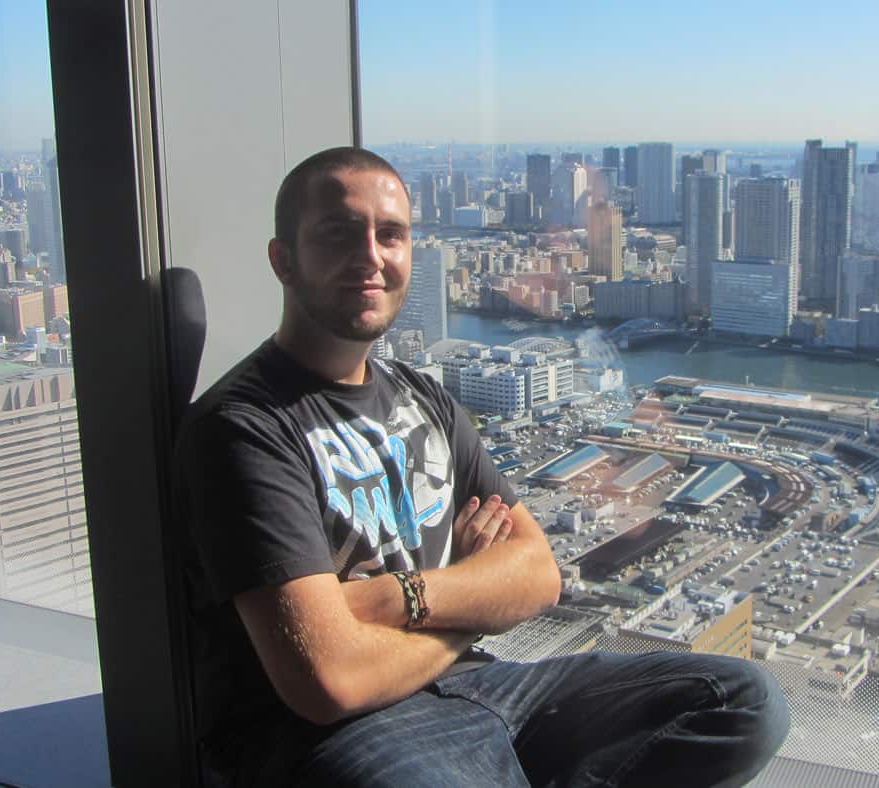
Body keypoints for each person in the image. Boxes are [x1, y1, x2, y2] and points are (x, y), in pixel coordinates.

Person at [175, 146, 789, 787]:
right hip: (342, 733)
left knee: (743, 701)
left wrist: (393, 599)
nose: (371, 257)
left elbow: (537, 574)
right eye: (338, 232)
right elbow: (330, 680)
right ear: (284, 260)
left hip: (486, 685)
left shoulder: (421, 395)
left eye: (391, 235)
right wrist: (470, 604)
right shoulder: (244, 428)